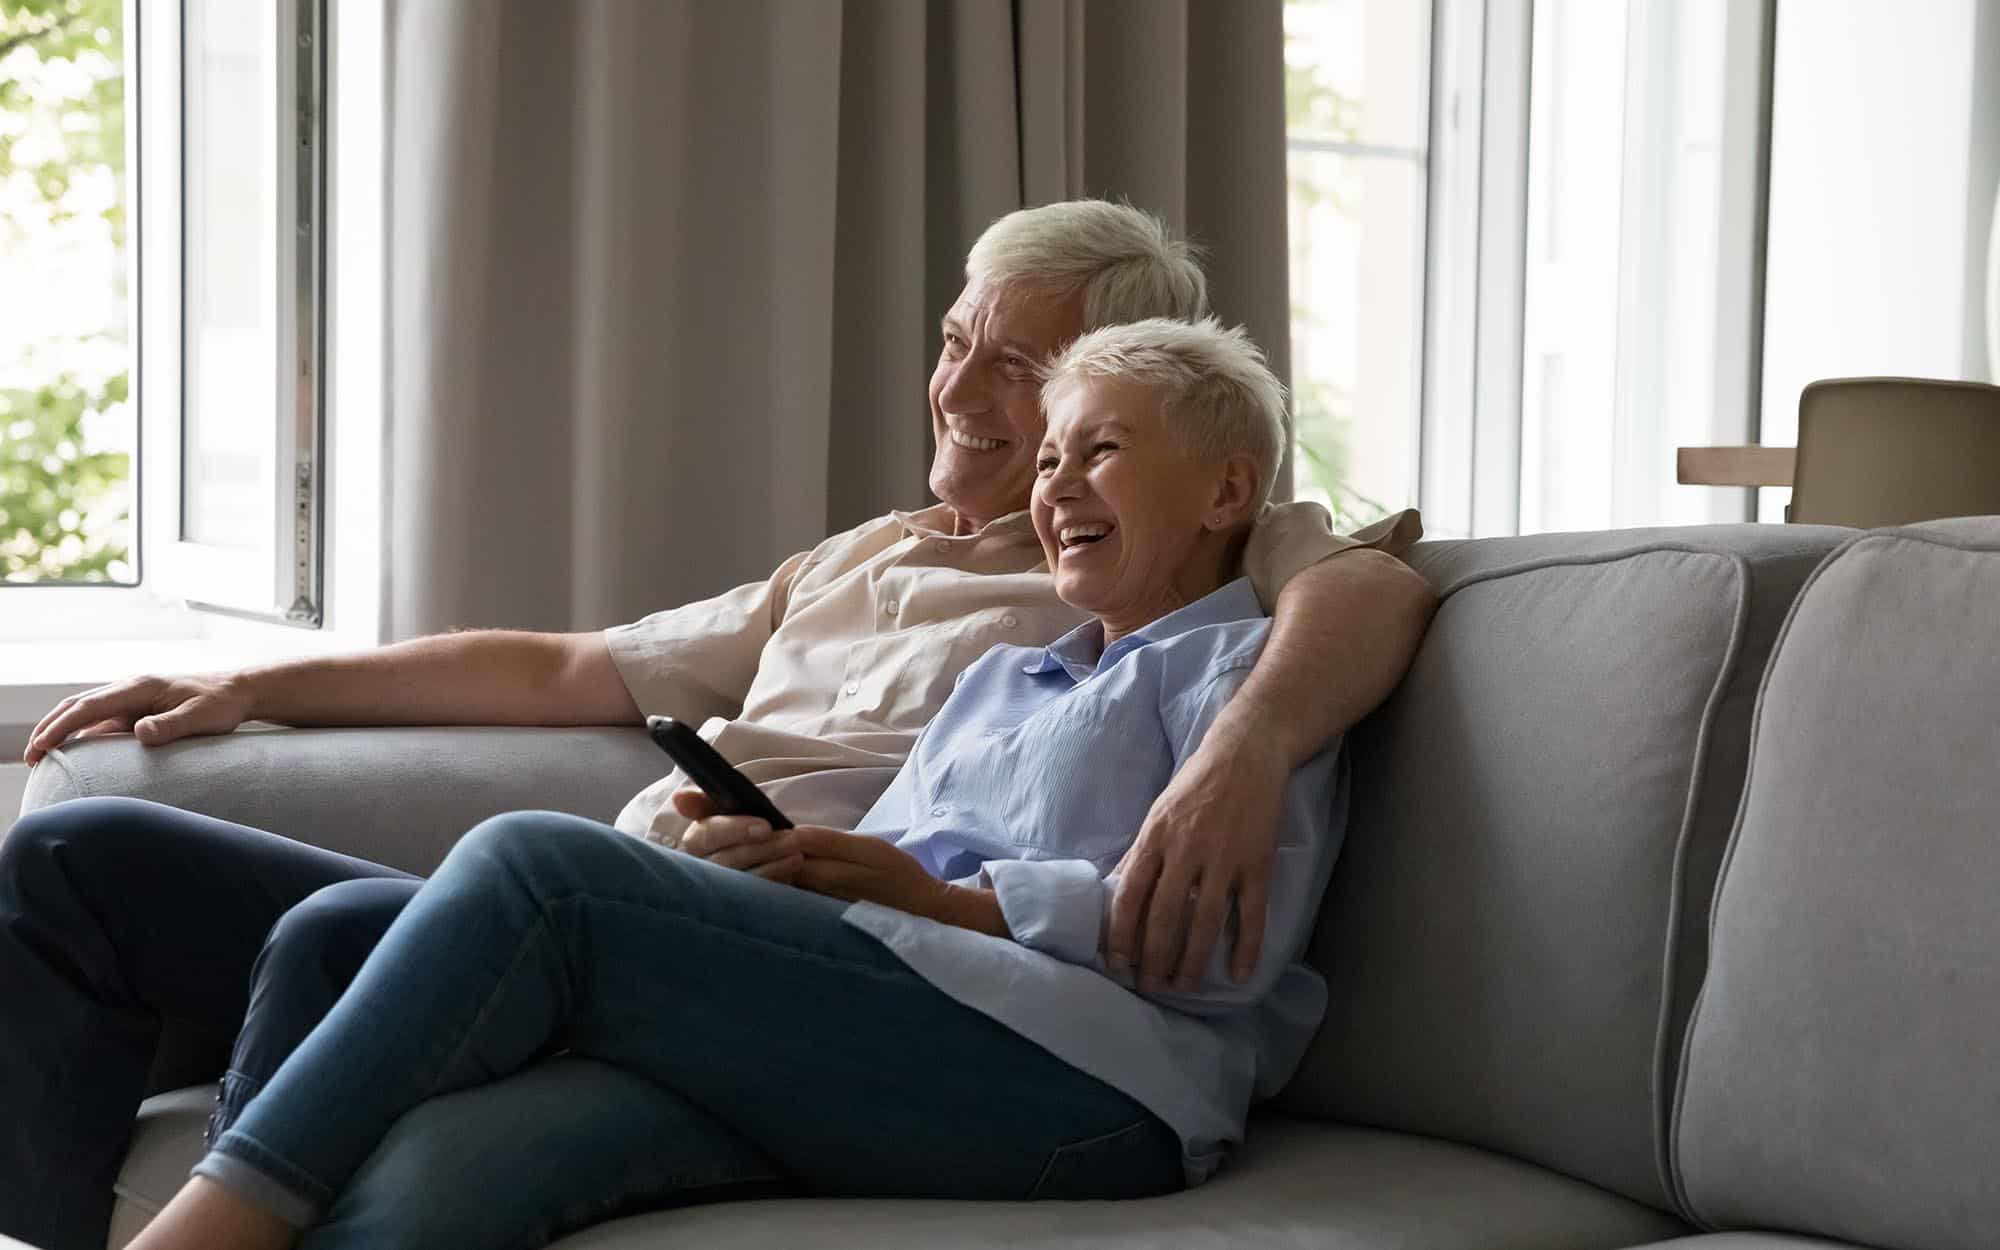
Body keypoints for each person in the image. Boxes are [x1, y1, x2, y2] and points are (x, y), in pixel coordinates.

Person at [0, 201, 1434, 1250]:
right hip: (760, 941)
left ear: (1213, 474)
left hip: (925, 1004)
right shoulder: (922, 591)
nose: (972, 394)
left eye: (1047, 385)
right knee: (138, 896)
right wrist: (252, 686)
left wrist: (1249, 744)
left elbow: (1368, 585)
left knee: (520, 868)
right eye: (961, 348)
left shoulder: (1221, 602)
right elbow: (572, 667)